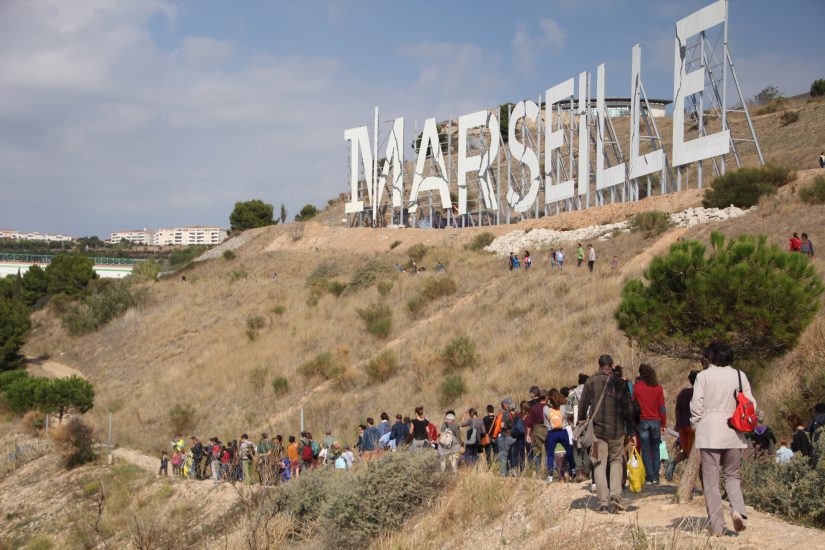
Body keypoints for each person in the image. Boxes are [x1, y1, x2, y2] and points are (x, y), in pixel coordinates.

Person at [690, 342, 753, 536]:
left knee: (711, 480)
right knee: (732, 475)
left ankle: (717, 526)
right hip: (734, 431)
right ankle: (737, 510)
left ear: (711, 357)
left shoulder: (703, 376)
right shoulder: (740, 375)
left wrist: (696, 424)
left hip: (709, 432)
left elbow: (696, 405)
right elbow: (751, 403)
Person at [579, 354, 637, 514]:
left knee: (599, 464)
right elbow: (628, 408)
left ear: (599, 365)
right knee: (617, 461)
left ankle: (603, 502)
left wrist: (581, 422)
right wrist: (632, 431)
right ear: (611, 365)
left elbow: (583, 404)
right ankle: (616, 497)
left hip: (598, 432)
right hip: (617, 430)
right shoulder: (621, 383)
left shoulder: (591, 381)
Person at [633, 364, 666, 485]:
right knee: (655, 449)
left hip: (642, 421)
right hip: (656, 421)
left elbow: (633, 405)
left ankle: (649, 476)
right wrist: (663, 423)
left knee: (646, 449)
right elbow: (662, 408)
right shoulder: (658, 388)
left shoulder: (636, 387)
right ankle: (656, 477)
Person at [666, 370, 699, 481]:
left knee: (686, 451)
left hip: (682, 427)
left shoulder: (683, 392)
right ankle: (689, 481)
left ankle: (673, 462)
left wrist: (677, 424)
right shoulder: (699, 393)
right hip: (693, 426)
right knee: (692, 454)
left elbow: (677, 410)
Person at [544, 394, 576, 482]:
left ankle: (550, 476)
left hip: (552, 432)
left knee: (550, 454)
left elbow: (546, 423)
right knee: (569, 451)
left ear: (550, 402)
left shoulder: (546, 409)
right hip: (563, 431)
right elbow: (568, 417)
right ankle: (573, 471)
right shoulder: (563, 408)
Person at [525, 392, 549, 474]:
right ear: (546, 398)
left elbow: (529, 423)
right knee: (549, 451)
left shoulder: (534, 408)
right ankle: (549, 471)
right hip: (548, 429)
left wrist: (528, 435)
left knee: (537, 451)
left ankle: (537, 471)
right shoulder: (549, 407)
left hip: (537, 429)